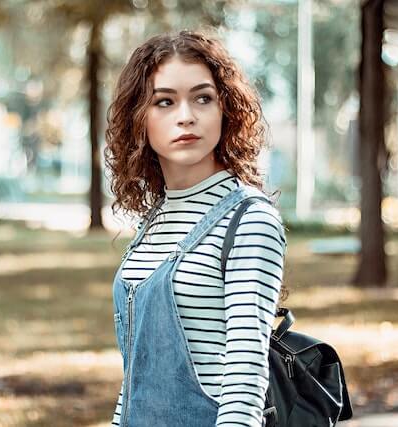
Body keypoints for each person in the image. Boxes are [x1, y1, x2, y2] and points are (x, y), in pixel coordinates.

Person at [104, 30, 287, 427]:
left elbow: (244, 374)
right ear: (140, 117)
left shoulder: (249, 220)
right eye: (165, 102)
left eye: (203, 98)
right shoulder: (154, 222)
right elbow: (134, 376)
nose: (186, 115)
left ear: (226, 110)